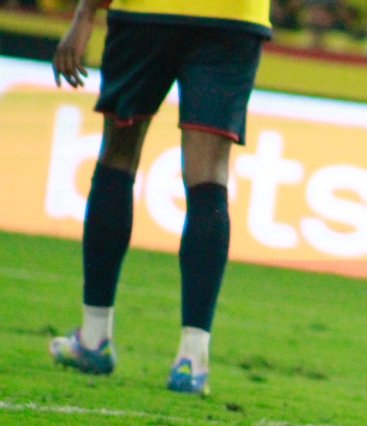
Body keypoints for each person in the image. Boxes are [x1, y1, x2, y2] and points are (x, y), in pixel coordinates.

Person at [49, 0, 271, 395]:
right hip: (233, 19)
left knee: (118, 156)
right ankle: (192, 361)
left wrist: (85, 13)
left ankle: (94, 338)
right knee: (209, 177)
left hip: (146, 13)